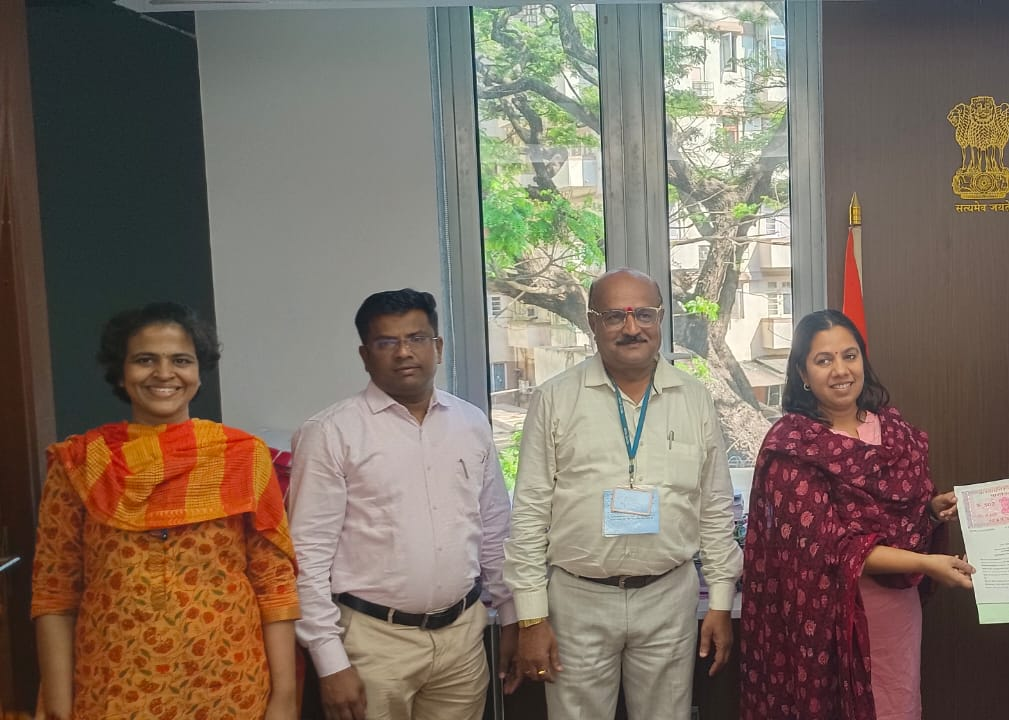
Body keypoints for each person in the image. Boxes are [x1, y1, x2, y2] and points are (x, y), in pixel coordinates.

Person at [32, 302, 300, 720]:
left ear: (199, 372)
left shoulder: (243, 457)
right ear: (120, 372)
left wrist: (284, 697)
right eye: (145, 360)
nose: (163, 373)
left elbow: (274, 584)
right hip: (111, 688)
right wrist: (58, 708)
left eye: (181, 360)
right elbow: (54, 592)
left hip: (231, 687)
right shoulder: (81, 463)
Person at [506, 268, 741, 719]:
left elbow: (713, 506)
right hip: (578, 599)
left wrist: (720, 601)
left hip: (668, 596)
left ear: (661, 318)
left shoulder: (694, 398)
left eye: (644, 314)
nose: (631, 328)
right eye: (615, 316)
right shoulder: (555, 399)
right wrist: (532, 616)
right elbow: (530, 512)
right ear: (592, 323)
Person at [288, 288, 518, 720]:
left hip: (462, 639)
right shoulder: (330, 433)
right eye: (386, 342)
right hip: (374, 644)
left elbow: (493, 529)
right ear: (365, 355)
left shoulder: (471, 423)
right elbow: (307, 556)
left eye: (416, 338)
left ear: (438, 347)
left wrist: (510, 615)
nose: (404, 352)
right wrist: (329, 660)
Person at [740, 309, 971, 720]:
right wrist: (927, 564)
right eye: (823, 360)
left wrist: (932, 512)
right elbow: (832, 547)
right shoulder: (792, 446)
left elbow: (905, 519)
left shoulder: (894, 432)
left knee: (897, 705)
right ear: (803, 373)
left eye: (850, 356)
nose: (841, 370)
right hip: (826, 620)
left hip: (896, 611)